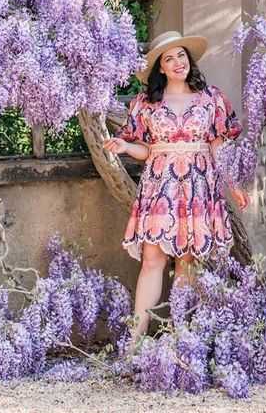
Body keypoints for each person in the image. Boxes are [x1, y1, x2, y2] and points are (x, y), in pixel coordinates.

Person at [103, 29, 249, 342]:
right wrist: (125, 148)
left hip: (198, 185)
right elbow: (146, 150)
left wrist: (233, 185)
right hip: (160, 187)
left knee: (187, 263)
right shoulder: (146, 104)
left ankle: (182, 339)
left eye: (181, 55)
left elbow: (218, 148)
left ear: (188, 59)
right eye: (169, 59)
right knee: (152, 260)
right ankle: (134, 341)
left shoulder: (211, 99)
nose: (177, 62)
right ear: (161, 68)